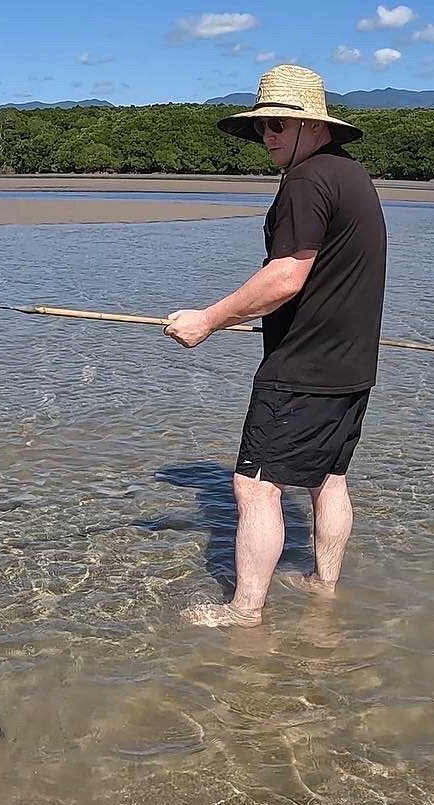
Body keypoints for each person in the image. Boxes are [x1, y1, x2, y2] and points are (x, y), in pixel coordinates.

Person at [164, 64, 386, 628]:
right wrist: (255, 311)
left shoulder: (307, 180)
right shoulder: (351, 175)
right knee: (329, 476)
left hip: (303, 368)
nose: (267, 136)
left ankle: (244, 610)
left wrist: (209, 319)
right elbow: (323, 278)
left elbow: (288, 274)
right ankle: (323, 584)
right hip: (352, 363)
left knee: (255, 484)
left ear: (314, 127)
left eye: (279, 126)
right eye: (263, 126)